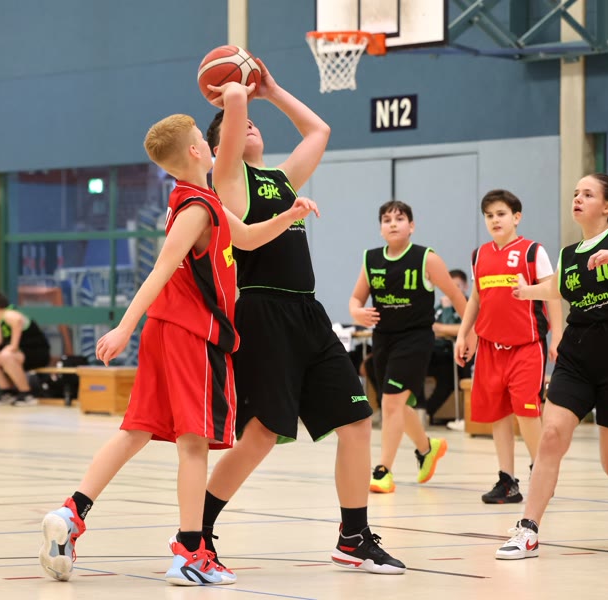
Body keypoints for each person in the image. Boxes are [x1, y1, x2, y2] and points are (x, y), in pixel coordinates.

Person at [38, 86, 320, 586]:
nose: (211, 145)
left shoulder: (200, 202)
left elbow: (247, 237)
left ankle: (71, 513)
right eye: (203, 139)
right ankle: (191, 553)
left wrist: (289, 215)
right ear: (195, 150)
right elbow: (162, 269)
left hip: (166, 333)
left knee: (135, 431)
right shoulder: (195, 209)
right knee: (194, 445)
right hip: (191, 333)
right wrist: (123, 327)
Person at [202, 59, 406, 574]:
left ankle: (353, 537)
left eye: (254, 120)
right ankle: (196, 531)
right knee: (262, 435)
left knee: (356, 420)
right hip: (262, 311)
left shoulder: (282, 179)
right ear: (219, 145)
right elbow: (231, 129)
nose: (250, 125)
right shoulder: (227, 179)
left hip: (308, 312)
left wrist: (271, 89)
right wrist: (234, 94)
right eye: (240, 124)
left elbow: (319, 131)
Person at [494, 173, 608, 560]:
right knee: (551, 436)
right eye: (576, 193)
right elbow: (558, 288)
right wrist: (526, 291)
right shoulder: (568, 254)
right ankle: (528, 528)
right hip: (577, 355)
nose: (577, 199)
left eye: (588, 194)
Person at [348, 200, 466, 494]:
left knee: (390, 403)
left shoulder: (427, 258)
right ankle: (427, 448)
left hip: (415, 339)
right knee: (397, 404)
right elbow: (356, 299)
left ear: (411, 226)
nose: (392, 223)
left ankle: (383, 470)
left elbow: (457, 296)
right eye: (386, 219)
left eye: (399, 219)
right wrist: (357, 312)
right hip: (383, 339)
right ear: (380, 228)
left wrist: (469, 333)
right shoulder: (371, 259)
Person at [454, 189, 563, 504]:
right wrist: (464, 333)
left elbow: (552, 294)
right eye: (489, 216)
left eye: (501, 214)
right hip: (490, 347)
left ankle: (542, 472)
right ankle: (507, 481)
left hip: (526, 346)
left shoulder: (532, 252)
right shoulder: (479, 255)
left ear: (516, 217)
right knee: (497, 414)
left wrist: (558, 336)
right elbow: (476, 298)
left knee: (527, 412)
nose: (495, 220)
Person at [0, 292, 52, 406]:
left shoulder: (9, 314)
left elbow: (17, 320)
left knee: (6, 355)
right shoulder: (1, 321)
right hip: (19, 355)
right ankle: (6, 392)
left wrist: (13, 345)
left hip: (37, 353)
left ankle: (26, 394)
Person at [426, 269, 473, 425]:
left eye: (457, 286)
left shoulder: (468, 306)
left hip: (454, 355)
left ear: (465, 286)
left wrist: (443, 324)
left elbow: (463, 329)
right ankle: (414, 412)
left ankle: (426, 413)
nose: (453, 290)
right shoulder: (438, 307)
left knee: (446, 377)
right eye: (450, 286)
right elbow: (429, 326)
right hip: (433, 351)